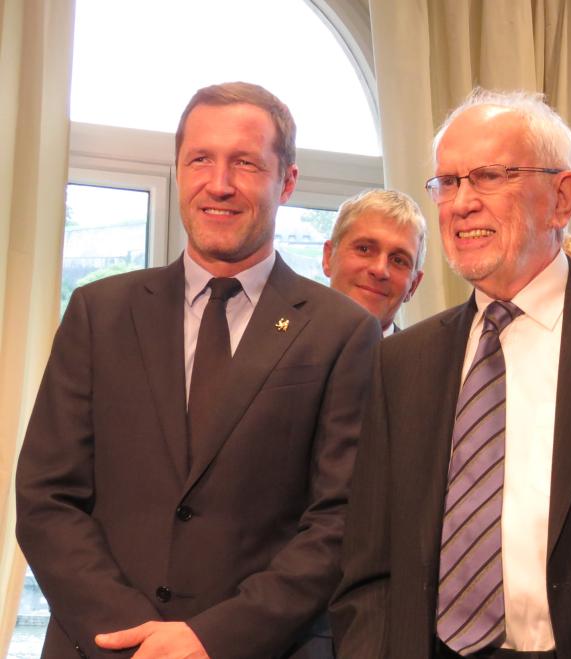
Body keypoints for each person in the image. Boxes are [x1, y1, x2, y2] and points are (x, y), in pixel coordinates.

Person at [331, 88, 571, 659]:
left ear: (561, 199)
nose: (461, 203)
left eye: (489, 177)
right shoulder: (404, 360)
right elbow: (369, 565)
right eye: (447, 182)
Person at [15, 82, 379, 659]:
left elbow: (339, 521)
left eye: (245, 163)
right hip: (101, 646)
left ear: (286, 181)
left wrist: (210, 639)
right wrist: (132, 635)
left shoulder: (342, 332)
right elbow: (46, 498)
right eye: (200, 160)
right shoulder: (99, 313)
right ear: (179, 171)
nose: (219, 184)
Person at [323, 189, 427, 335]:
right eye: (364, 249)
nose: (379, 270)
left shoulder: (429, 358)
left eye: (398, 260)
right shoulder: (284, 346)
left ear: (413, 286)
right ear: (328, 257)